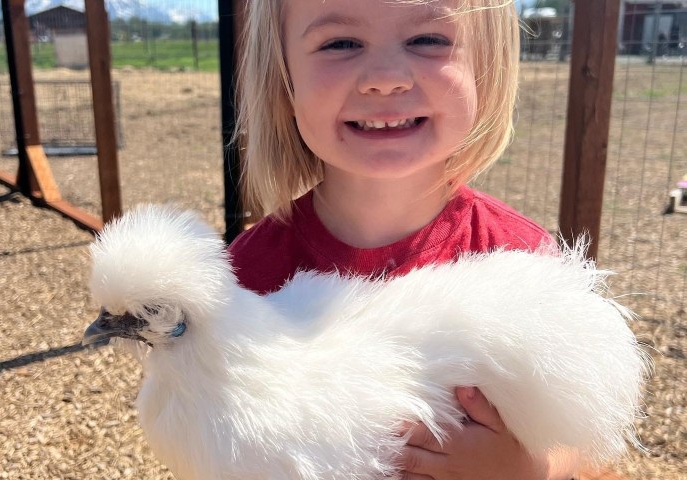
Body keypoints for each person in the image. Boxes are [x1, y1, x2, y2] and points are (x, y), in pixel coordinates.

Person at [228, 0, 580, 478]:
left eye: (428, 39)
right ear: (283, 82)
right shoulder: (240, 281)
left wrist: (527, 469)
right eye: (341, 43)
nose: (386, 77)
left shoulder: (523, 261)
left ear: (487, 65)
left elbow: (576, 431)